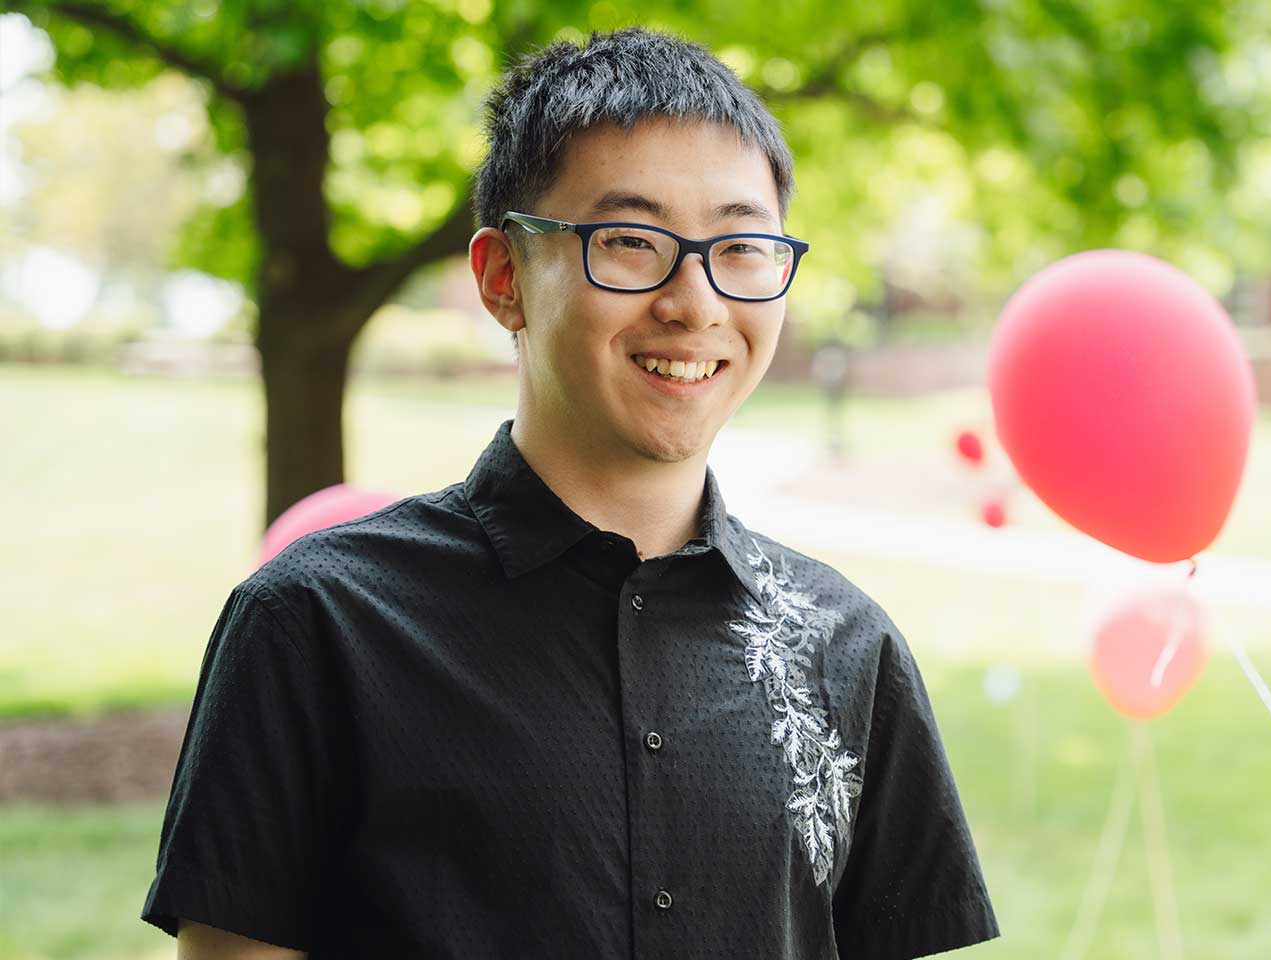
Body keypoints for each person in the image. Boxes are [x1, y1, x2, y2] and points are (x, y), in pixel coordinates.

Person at [141, 26, 999, 959]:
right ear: (503, 277)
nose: (696, 302)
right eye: (630, 241)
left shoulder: (851, 647)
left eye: (741, 246)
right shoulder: (315, 622)